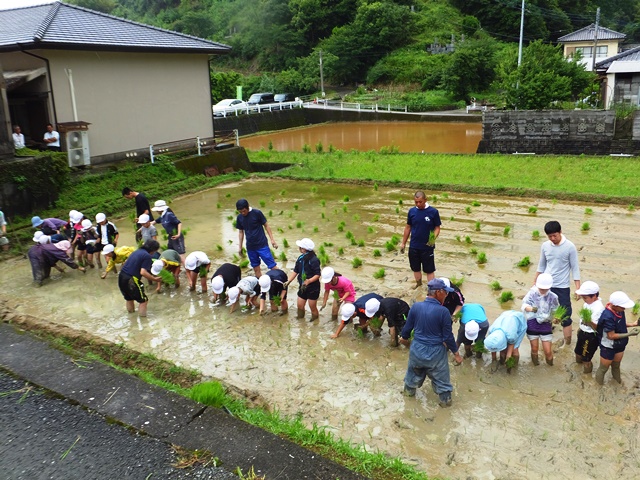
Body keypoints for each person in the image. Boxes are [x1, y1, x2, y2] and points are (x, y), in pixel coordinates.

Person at [399, 278, 463, 407]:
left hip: (417, 349)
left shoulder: (416, 306)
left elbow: (406, 330)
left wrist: (405, 340)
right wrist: (456, 353)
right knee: (443, 382)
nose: (447, 295)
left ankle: (408, 401)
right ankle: (445, 406)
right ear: (438, 292)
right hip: (435, 353)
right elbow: (447, 336)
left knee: (411, 378)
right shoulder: (443, 311)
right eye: (445, 292)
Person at [534, 220, 580, 346]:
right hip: (546, 286)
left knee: (565, 316)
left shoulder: (570, 247)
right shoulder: (545, 246)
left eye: (555, 235)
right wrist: (535, 282)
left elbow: (575, 268)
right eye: (550, 236)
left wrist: (577, 288)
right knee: (545, 312)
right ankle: (546, 340)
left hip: (562, 287)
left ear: (560, 232)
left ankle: (567, 343)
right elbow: (541, 265)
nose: (553, 238)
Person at [595, 291, 640, 385]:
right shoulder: (608, 316)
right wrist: (629, 334)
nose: (624, 308)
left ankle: (617, 384)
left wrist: (633, 324)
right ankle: (598, 387)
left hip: (620, 344)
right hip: (608, 346)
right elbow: (610, 336)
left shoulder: (620, 311)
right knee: (603, 369)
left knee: (616, 366)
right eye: (622, 306)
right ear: (614, 305)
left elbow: (620, 325)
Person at [399, 191, 442, 289]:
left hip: (427, 247)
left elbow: (437, 228)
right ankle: (418, 285)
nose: (418, 204)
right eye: (416, 202)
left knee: (429, 269)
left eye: (420, 202)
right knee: (415, 268)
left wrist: (432, 239)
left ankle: (432, 289)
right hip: (414, 245)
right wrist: (403, 243)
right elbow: (408, 227)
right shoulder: (412, 211)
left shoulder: (433, 212)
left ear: (425, 200)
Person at [522, 273, 560, 366]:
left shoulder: (553, 297)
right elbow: (524, 305)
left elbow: (556, 310)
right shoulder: (532, 293)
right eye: (541, 289)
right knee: (534, 349)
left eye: (545, 289)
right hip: (532, 323)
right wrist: (531, 309)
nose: (543, 291)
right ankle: (535, 366)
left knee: (548, 351)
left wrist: (556, 319)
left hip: (546, 324)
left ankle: (550, 368)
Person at [118, 240, 162, 317]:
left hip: (121, 276)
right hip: (131, 279)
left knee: (129, 298)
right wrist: (155, 279)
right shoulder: (147, 256)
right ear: (153, 249)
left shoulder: (136, 251)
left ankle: (131, 318)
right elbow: (143, 272)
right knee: (144, 300)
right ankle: (143, 322)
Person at [235, 198, 278, 278]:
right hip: (251, 247)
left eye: (244, 211)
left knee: (272, 266)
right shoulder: (239, 218)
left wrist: (272, 240)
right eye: (240, 212)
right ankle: (261, 286)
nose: (243, 213)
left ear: (248, 207)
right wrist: (240, 247)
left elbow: (266, 225)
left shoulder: (257, 213)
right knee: (256, 268)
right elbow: (241, 232)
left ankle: (281, 281)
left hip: (262, 245)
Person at [285, 238, 321, 322]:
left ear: (304, 248)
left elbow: (317, 274)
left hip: (313, 287)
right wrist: (288, 281)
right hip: (302, 286)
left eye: (300, 246)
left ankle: (315, 321)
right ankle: (301, 321)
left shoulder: (314, 260)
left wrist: (309, 281)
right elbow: (296, 271)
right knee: (300, 305)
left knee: (312, 307)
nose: (299, 248)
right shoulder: (300, 258)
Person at [574, 281, 605, 374]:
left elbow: (598, 328)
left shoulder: (599, 308)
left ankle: (587, 375)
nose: (584, 299)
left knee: (586, 359)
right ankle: (577, 369)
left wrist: (589, 322)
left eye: (585, 297)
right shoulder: (587, 303)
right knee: (577, 353)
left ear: (594, 296)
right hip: (582, 332)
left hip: (591, 336)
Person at [152, 200, 186, 264]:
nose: (156, 211)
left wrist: (178, 234)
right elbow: (153, 222)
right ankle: (176, 268)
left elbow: (179, 223)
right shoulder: (162, 216)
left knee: (181, 256)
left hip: (176, 237)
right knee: (170, 253)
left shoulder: (169, 215)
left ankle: (189, 270)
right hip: (171, 237)